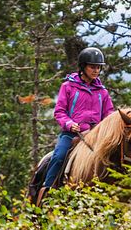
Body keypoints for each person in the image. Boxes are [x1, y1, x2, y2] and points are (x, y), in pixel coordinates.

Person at [37, 47, 115, 203]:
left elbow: (109, 115)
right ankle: (47, 192)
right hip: (72, 134)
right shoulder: (68, 87)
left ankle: (128, 197)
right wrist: (69, 124)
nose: (96, 70)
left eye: (98, 67)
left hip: (95, 137)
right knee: (58, 157)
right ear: (83, 67)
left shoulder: (102, 92)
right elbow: (59, 112)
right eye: (92, 66)